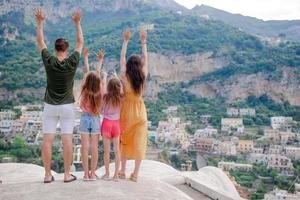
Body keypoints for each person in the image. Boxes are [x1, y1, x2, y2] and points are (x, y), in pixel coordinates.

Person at [35, 8, 84, 183]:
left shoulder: (49, 60)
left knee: (47, 140)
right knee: (67, 140)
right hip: (67, 106)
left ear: (55, 49)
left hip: (49, 106)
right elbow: (80, 42)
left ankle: (48, 175)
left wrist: (40, 21)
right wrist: (77, 23)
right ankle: (66, 174)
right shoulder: (72, 62)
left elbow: (40, 40)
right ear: (67, 49)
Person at [118, 29, 148, 182]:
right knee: (139, 142)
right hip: (140, 111)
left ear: (129, 65)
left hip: (126, 110)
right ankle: (135, 174)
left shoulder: (125, 75)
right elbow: (145, 59)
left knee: (124, 140)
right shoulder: (143, 76)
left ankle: (122, 171)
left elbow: (122, 57)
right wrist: (143, 41)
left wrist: (126, 40)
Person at [79, 48, 106, 181]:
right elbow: (96, 75)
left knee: (84, 147)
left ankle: (85, 174)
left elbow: (87, 73)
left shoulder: (84, 89)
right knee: (94, 147)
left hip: (84, 118)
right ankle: (93, 173)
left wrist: (85, 58)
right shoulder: (100, 91)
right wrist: (100, 60)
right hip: (95, 119)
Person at [101, 73, 123, 181]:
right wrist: (117, 77)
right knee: (117, 150)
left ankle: (107, 174)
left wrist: (104, 76)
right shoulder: (120, 97)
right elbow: (121, 88)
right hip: (116, 124)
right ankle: (116, 175)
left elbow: (103, 85)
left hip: (106, 124)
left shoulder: (105, 96)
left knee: (106, 151)